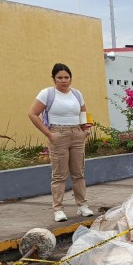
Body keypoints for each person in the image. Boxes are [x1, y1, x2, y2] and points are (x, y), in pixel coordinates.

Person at [28, 63, 94, 222]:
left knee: (79, 172)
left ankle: (82, 206)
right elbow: (32, 114)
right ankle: (58, 209)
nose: (64, 80)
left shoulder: (77, 94)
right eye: (60, 78)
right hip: (58, 133)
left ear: (71, 78)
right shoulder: (47, 94)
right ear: (54, 79)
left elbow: (83, 113)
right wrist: (49, 134)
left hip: (77, 134)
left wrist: (85, 130)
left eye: (66, 77)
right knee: (59, 174)